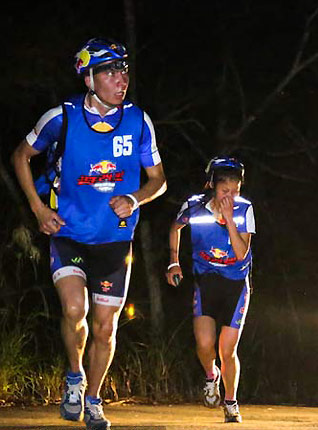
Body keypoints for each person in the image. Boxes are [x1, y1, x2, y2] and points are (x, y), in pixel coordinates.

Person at [11, 38, 166, 430]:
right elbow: (20, 156)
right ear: (89, 79)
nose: (121, 80)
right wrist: (38, 209)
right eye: (110, 72)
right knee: (74, 310)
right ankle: (74, 376)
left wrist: (134, 198)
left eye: (123, 71)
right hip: (69, 233)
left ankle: (94, 400)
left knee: (105, 327)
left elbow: (159, 180)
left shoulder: (138, 121)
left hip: (114, 240)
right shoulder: (61, 118)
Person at [166, 157, 254, 423]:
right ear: (212, 186)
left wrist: (229, 219)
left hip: (235, 284)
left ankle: (231, 402)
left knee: (227, 350)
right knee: (205, 344)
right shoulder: (194, 206)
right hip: (206, 280)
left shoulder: (244, 209)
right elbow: (175, 227)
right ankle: (210, 376)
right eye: (225, 190)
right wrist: (173, 261)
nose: (230, 196)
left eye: (235, 190)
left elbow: (241, 253)